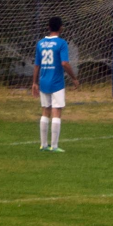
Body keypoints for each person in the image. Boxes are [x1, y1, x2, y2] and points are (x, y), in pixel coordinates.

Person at [32, 16, 79, 152]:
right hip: (57, 82)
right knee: (56, 111)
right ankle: (54, 146)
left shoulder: (40, 43)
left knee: (45, 111)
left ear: (48, 27)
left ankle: (43, 145)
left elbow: (36, 65)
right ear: (61, 28)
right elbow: (64, 63)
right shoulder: (61, 43)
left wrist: (34, 82)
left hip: (43, 81)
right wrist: (74, 78)